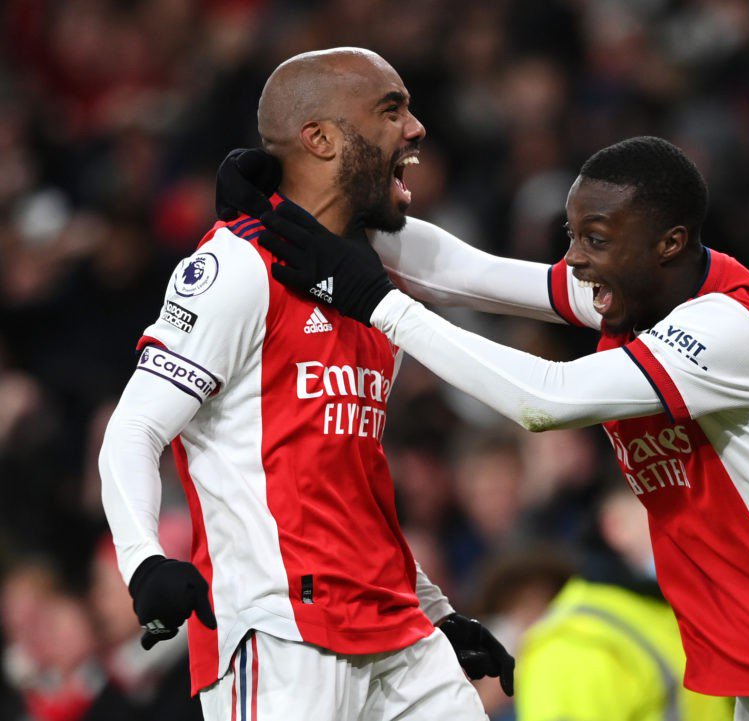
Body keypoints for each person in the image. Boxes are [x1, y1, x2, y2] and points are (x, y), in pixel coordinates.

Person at [217, 134, 749, 719]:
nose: (574, 259)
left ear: (668, 242)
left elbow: (546, 398)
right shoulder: (633, 290)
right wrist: (302, 213)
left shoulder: (729, 328)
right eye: (572, 235)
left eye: (594, 238)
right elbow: (466, 273)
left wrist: (376, 302)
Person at [98, 48, 512, 721]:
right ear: (320, 138)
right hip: (281, 628)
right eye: (390, 109)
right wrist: (144, 562)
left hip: (399, 630)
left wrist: (438, 609)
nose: (416, 129)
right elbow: (134, 429)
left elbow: (350, 487)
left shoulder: (369, 291)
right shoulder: (234, 266)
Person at [516, 486, 734, 721]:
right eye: (670, 510)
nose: (693, 527)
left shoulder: (678, 610)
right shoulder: (575, 641)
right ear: (616, 526)